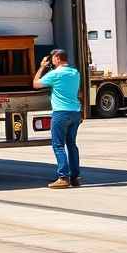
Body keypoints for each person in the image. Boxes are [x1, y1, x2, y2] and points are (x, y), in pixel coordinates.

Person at [33, 48, 82, 189]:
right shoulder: (75, 72)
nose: (51, 60)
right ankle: (75, 177)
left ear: (58, 59)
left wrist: (42, 67)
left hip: (61, 113)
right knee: (71, 145)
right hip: (75, 112)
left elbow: (36, 84)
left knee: (58, 145)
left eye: (53, 58)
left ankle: (63, 177)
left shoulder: (55, 74)